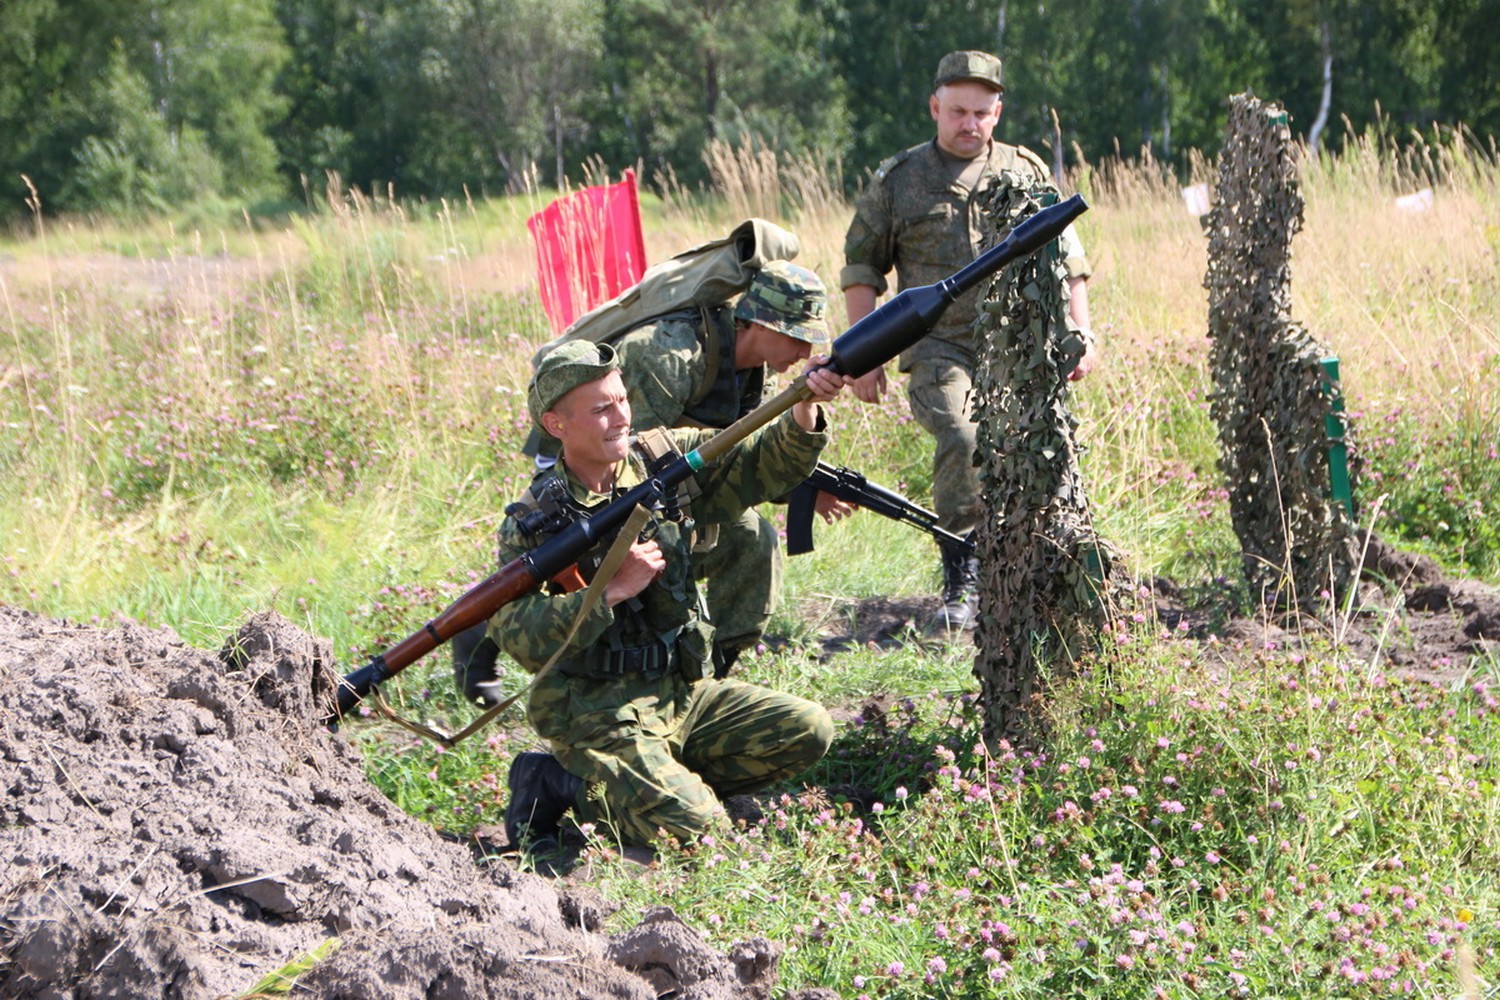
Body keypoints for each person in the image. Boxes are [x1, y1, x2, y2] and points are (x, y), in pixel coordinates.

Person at [494, 339, 851, 851]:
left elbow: (755, 461)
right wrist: (610, 592)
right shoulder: (535, 523)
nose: (620, 417)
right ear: (557, 425)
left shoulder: (659, 458)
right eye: (600, 409)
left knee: (808, 730)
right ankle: (559, 783)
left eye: (622, 400)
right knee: (701, 834)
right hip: (597, 712)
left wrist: (804, 406)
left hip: (678, 691)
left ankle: (658, 781)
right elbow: (518, 633)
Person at [454, 261, 851, 703]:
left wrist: (796, 473)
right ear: (759, 323)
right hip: (587, 491)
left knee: (751, 537)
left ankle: (702, 681)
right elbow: (622, 461)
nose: (803, 349)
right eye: (796, 335)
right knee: (561, 569)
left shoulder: (749, 372)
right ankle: (484, 626)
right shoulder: (666, 357)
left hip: (655, 488)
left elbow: (726, 460)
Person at [841, 49, 1096, 632]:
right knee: (961, 435)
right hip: (938, 346)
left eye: (981, 112)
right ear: (935, 107)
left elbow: (1069, 257)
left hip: (1017, 347)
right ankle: (963, 570)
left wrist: (1079, 328)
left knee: (1039, 454)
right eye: (957, 111)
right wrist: (863, 355)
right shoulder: (900, 180)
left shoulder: (1025, 170)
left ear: (998, 111)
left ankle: (1035, 571)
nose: (969, 124)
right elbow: (861, 268)